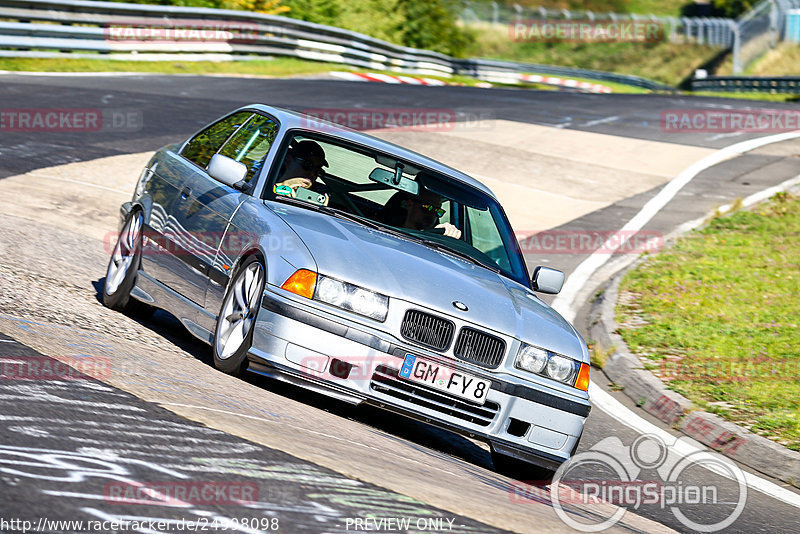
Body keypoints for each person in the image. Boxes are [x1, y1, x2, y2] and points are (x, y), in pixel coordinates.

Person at [384, 189, 462, 239]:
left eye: (437, 210)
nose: (432, 215)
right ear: (409, 204)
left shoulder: (433, 243)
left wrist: (448, 232)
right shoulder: (382, 230)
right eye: (427, 208)